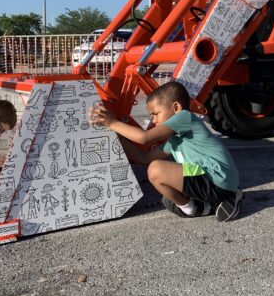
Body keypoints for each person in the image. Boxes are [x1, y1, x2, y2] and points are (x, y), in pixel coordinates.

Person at [91, 81, 243, 221]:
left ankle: (217, 201)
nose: (154, 121)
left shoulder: (185, 117)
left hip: (218, 178)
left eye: (155, 114)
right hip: (210, 180)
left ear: (176, 108)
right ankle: (204, 207)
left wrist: (111, 123)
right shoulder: (175, 140)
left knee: (156, 170)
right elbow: (143, 157)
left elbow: (144, 138)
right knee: (167, 194)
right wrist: (115, 137)